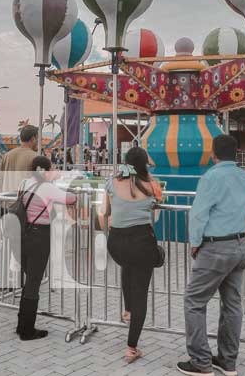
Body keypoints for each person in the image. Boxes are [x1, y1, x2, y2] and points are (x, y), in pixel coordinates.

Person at [176, 134, 245, 376]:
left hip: (216, 248)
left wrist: (195, 243)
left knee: (194, 302)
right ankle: (228, 361)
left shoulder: (211, 177)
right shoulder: (244, 176)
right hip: (239, 245)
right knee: (232, 305)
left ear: (213, 153)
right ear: (236, 152)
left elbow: (199, 214)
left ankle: (200, 361)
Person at [103, 147, 162, 364]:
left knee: (127, 266)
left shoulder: (112, 181)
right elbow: (155, 215)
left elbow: (105, 211)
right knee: (141, 294)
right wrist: (148, 170)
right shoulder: (152, 186)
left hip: (116, 242)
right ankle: (131, 347)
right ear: (145, 163)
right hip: (141, 243)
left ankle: (127, 311)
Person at [15, 156, 76, 341]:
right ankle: (27, 330)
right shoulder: (47, 188)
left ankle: (21, 324)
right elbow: (70, 198)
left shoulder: (25, 182)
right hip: (39, 236)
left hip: (24, 234)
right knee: (34, 281)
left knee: (29, 280)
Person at [0, 125, 39, 193]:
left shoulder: (7, 156)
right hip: (24, 201)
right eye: (37, 138)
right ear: (33, 139)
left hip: (7, 200)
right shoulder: (36, 157)